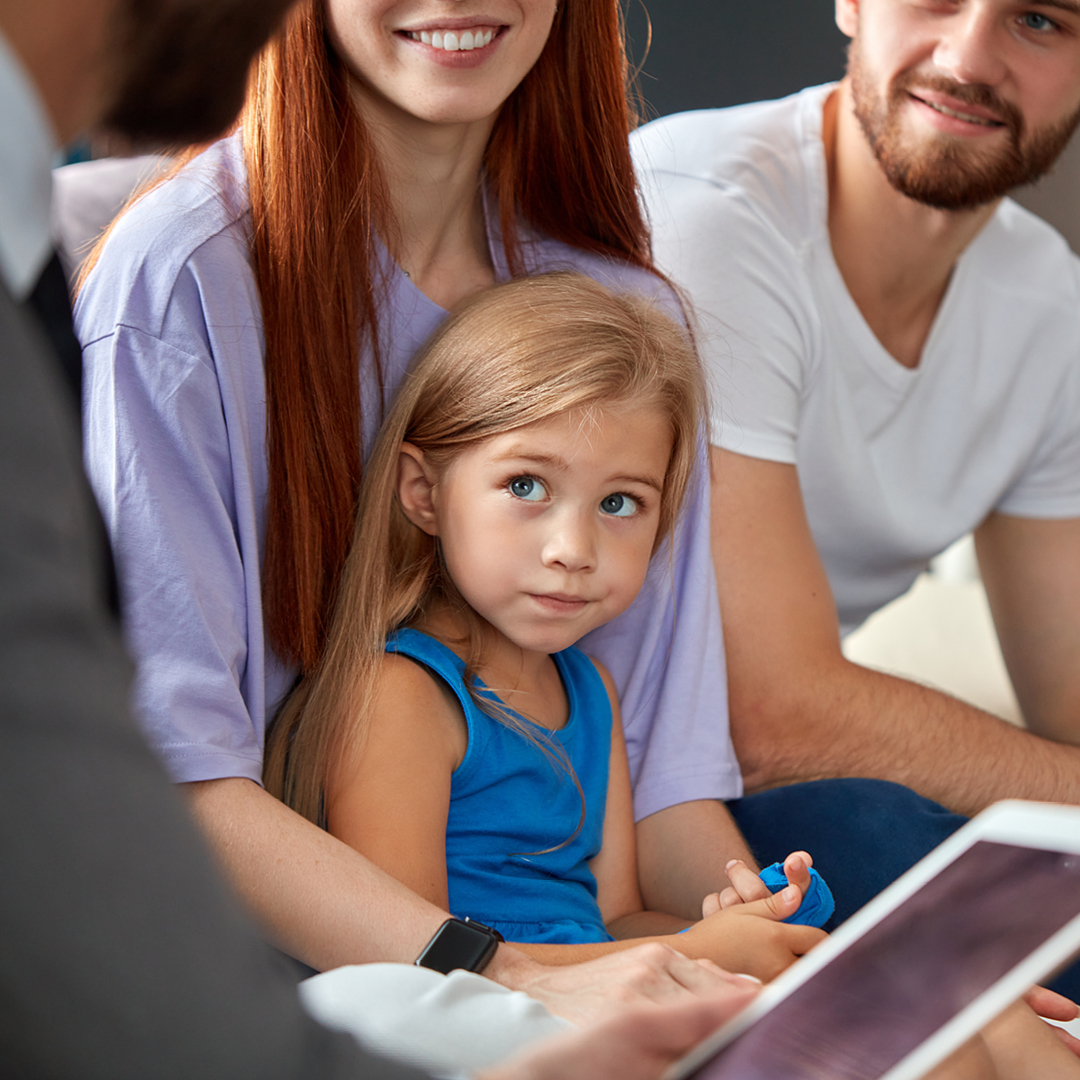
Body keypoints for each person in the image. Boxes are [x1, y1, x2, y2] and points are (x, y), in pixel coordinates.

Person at [0, 0, 775, 1075]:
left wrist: (782, 964)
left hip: (569, 950)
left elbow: (664, 780)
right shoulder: (180, 280)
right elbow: (177, 782)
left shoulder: (620, 314)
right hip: (314, 971)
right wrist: (522, 977)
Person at [631, 0, 1080, 943]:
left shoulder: (1047, 303)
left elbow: (1071, 697)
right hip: (584, 788)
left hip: (758, 793)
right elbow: (773, 716)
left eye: (1040, 21)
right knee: (885, 838)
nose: (968, 56)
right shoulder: (709, 214)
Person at [267, 272, 827, 972]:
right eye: (526, 486)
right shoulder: (401, 696)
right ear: (424, 493)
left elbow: (614, 917)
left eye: (620, 503)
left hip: (611, 1005)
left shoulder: (590, 689)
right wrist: (686, 950)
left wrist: (737, 930)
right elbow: (401, 965)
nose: (574, 551)